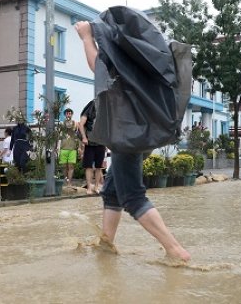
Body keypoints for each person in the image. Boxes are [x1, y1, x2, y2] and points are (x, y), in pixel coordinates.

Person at [75, 20, 190, 262]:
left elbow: (98, 68)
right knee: (113, 191)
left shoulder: (126, 61)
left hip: (128, 135)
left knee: (133, 196)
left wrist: (87, 38)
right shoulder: (149, 62)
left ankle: (175, 250)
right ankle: (106, 244)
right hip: (144, 133)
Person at [78, 100, 106, 194]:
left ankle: (97, 187)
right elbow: (81, 124)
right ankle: (89, 187)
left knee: (99, 167)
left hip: (101, 142)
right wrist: (84, 137)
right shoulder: (89, 109)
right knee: (88, 166)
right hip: (89, 142)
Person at [58, 108, 79, 187]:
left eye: (70, 113)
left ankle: (69, 182)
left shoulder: (75, 123)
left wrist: (79, 147)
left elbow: (77, 135)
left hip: (72, 147)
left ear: (72, 114)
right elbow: (58, 135)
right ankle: (66, 179)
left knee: (71, 166)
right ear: (65, 114)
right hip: (63, 147)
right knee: (64, 166)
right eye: (67, 113)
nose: (68, 115)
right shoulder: (61, 123)